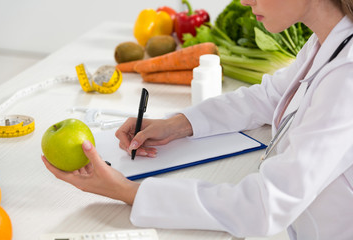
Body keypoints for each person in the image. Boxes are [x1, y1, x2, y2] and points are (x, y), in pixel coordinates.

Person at [42, 0, 353, 239]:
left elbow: (266, 205)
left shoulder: (347, 77)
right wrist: (177, 124)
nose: (245, 1)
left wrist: (127, 191)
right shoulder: (326, 42)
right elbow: (270, 95)